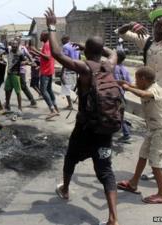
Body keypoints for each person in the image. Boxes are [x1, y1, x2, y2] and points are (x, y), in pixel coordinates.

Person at [45, 7, 120, 225]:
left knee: (71, 157)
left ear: (87, 52)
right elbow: (112, 51)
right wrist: (92, 47)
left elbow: (57, 54)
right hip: (105, 127)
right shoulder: (109, 65)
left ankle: (66, 189)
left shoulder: (84, 67)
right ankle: (113, 218)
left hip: (85, 128)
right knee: (106, 171)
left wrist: (52, 26)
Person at [116, 8, 162, 196]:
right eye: (159, 22)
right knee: (154, 137)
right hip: (149, 100)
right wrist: (129, 25)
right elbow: (120, 33)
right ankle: (158, 170)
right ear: (153, 25)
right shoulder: (145, 41)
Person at [117, 66, 162, 204]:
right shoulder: (146, 85)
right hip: (153, 128)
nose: (135, 82)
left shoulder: (154, 89)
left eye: (137, 79)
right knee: (143, 155)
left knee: (155, 161)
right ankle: (133, 183)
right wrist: (124, 82)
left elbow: (144, 95)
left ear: (143, 79)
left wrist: (128, 88)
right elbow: (137, 87)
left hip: (161, 128)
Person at [30, 32, 60, 120]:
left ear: (45, 37)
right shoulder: (48, 44)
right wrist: (35, 53)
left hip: (46, 72)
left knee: (43, 91)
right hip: (49, 70)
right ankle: (56, 109)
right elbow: (45, 58)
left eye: (41, 35)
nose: (40, 37)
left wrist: (36, 50)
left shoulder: (46, 45)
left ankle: (52, 110)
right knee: (49, 90)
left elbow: (47, 57)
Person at [114, 50, 132, 143]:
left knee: (117, 114)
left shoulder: (112, 68)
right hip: (121, 94)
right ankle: (124, 132)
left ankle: (126, 134)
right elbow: (129, 83)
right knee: (120, 114)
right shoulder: (125, 69)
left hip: (113, 95)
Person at [61, 35, 80, 110]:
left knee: (66, 88)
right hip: (76, 69)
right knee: (75, 87)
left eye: (62, 40)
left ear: (65, 39)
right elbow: (79, 58)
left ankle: (70, 105)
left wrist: (62, 72)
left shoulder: (65, 47)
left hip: (68, 70)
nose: (61, 42)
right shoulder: (75, 46)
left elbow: (65, 60)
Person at [19, 40, 38, 107]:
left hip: (21, 70)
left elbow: (29, 56)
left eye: (19, 39)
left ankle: (32, 100)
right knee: (9, 87)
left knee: (23, 86)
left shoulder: (23, 48)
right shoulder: (12, 48)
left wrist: (32, 62)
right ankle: (7, 103)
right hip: (13, 71)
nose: (18, 40)